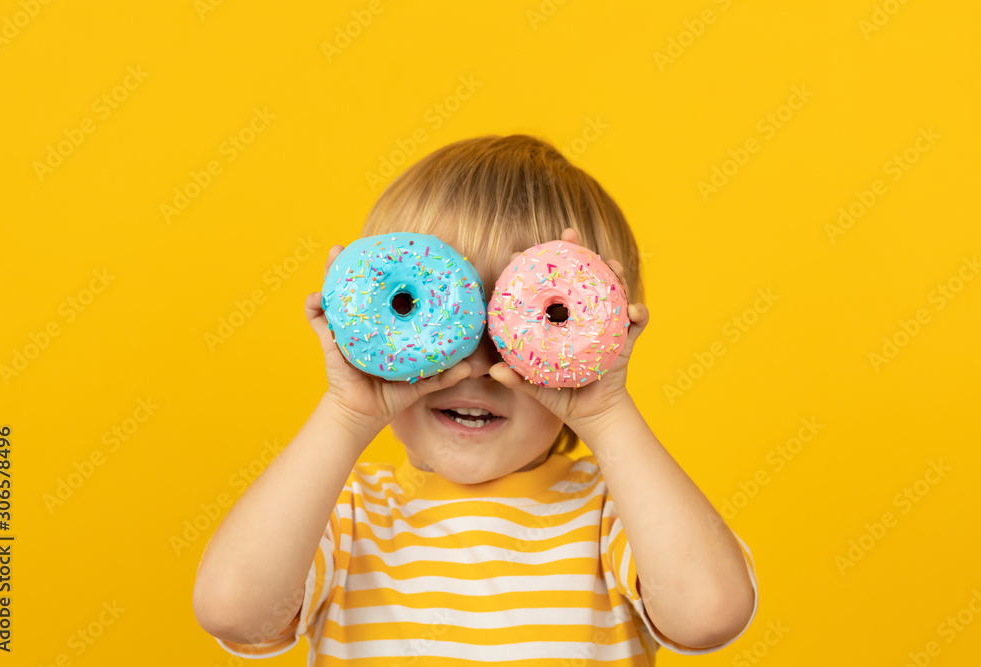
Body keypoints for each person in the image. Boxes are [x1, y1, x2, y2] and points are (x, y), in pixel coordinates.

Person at [193, 134, 759, 665]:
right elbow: (234, 611)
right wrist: (346, 415)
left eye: (520, 327)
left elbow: (708, 615)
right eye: (443, 322)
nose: (477, 366)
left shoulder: (616, 519)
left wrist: (606, 414)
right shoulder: (348, 516)